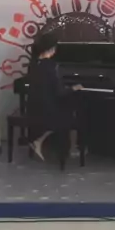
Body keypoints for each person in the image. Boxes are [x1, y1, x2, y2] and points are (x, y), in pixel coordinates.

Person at [27, 33, 82, 163]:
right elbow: (59, 92)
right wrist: (74, 88)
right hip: (48, 111)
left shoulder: (33, 64)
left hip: (34, 106)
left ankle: (39, 141)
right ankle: (71, 148)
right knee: (73, 115)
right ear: (52, 48)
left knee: (63, 111)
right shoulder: (51, 66)